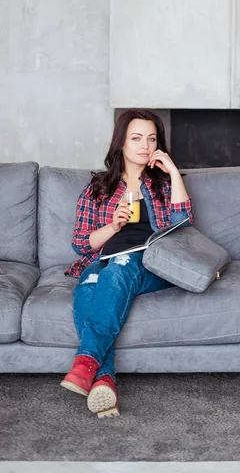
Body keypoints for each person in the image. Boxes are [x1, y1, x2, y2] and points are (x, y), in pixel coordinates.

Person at [61, 108, 193, 418]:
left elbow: (184, 225)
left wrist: (173, 171)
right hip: (104, 260)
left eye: (151, 138)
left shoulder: (162, 184)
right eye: (136, 138)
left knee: (122, 264)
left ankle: (86, 363)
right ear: (121, 142)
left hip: (153, 263)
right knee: (91, 282)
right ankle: (102, 379)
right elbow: (81, 244)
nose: (145, 145)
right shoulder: (98, 187)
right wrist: (113, 227)